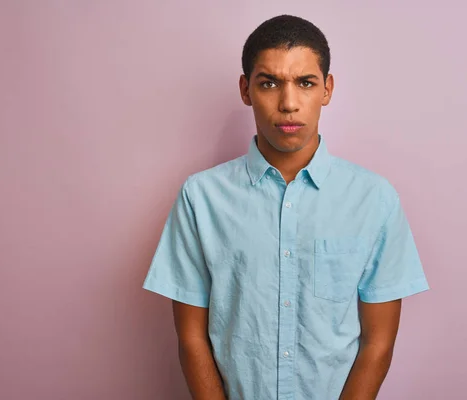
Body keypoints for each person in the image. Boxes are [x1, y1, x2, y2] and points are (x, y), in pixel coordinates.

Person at [143, 14, 429, 400]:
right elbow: (191, 338)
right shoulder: (201, 198)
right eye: (269, 83)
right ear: (246, 90)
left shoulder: (374, 199)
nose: (289, 103)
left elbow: (378, 343)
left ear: (327, 89)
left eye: (306, 83)